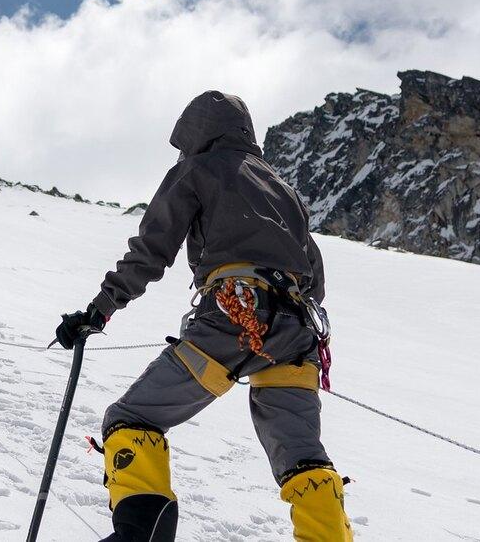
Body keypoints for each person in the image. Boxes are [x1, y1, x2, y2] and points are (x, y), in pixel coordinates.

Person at [54, 91, 351, 542]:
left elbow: (151, 252)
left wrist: (98, 312)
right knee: (302, 458)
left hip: (234, 317)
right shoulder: (283, 189)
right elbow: (315, 276)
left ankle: (140, 536)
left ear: (198, 133)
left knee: (132, 419)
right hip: (297, 333)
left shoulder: (196, 170)